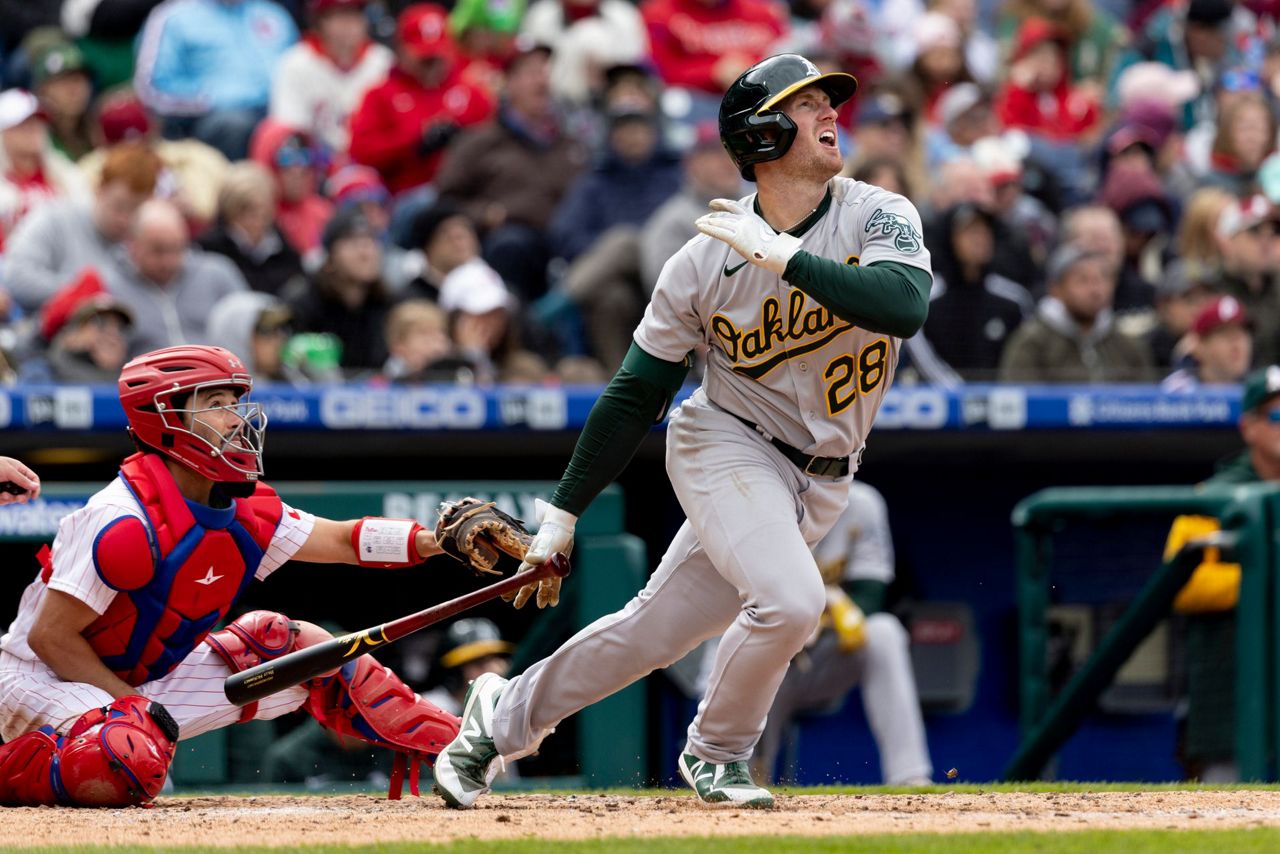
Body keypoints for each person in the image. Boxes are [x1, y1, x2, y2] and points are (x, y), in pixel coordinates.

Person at [432, 53, 933, 809]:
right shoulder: (701, 262)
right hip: (727, 443)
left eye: (831, 102)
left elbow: (904, 306)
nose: (832, 114)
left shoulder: (878, 212)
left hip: (827, 472)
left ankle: (495, 720)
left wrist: (791, 260)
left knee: (652, 633)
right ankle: (718, 753)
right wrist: (563, 514)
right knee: (792, 604)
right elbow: (636, 393)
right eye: (807, 106)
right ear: (761, 137)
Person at [0, 344, 462, 807]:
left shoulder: (243, 510)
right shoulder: (119, 518)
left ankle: (464, 750)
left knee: (298, 649)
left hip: (141, 685)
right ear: (165, 419)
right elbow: (51, 639)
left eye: (234, 403)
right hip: (36, 680)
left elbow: (343, 540)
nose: (235, 419)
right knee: (127, 755)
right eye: (215, 405)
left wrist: (441, 540)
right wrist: (134, 708)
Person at [698, 481, 931, 785]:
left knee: (885, 633)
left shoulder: (861, 503)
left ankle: (910, 778)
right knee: (768, 646)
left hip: (818, 658)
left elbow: (871, 595)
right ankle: (744, 779)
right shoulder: (754, 501)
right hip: (750, 655)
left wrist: (823, 610)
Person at [1162, 366, 1280, 781]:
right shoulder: (1212, 496)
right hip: (1230, 699)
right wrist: (1263, 578)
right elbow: (1182, 587)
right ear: (1248, 427)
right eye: (1276, 416)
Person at [3, 141, 162, 313]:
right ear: (99, 189)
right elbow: (16, 277)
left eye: (135, 209)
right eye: (119, 206)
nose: (125, 219)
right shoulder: (54, 218)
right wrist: (86, 292)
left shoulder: (145, 240)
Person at [133, 0, 298, 160]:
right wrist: (210, 99)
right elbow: (151, 90)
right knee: (235, 125)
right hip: (210, 119)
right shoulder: (172, 17)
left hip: (279, 110)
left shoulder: (272, 13)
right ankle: (239, 185)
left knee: (298, 121)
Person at [103, 198, 250, 356]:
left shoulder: (217, 274)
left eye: (177, 248)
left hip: (217, 376)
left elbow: (251, 325)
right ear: (132, 244)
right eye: (158, 250)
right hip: (148, 377)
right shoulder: (111, 286)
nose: (168, 260)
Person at [998, 243, 1154, 383]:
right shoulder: (1032, 343)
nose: (1095, 290)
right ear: (1056, 289)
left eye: (1102, 279)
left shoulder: (1128, 345)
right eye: (1083, 280)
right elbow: (1020, 399)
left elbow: (1146, 403)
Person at [269, 0, 393, 156]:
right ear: (319, 22)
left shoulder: (383, 62)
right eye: (339, 15)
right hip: (315, 164)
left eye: (355, 14)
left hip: (372, 162)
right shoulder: (295, 63)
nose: (349, 24)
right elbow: (288, 131)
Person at [422, 618, 515, 716]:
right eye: (479, 663)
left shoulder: (509, 705)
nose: (494, 669)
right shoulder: (431, 706)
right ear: (455, 672)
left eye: (496, 659)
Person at [1162, 296, 1252, 391]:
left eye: (1242, 333)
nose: (1237, 343)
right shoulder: (1177, 392)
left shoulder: (1261, 393)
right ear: (1198, 345)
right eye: (1226, 335)